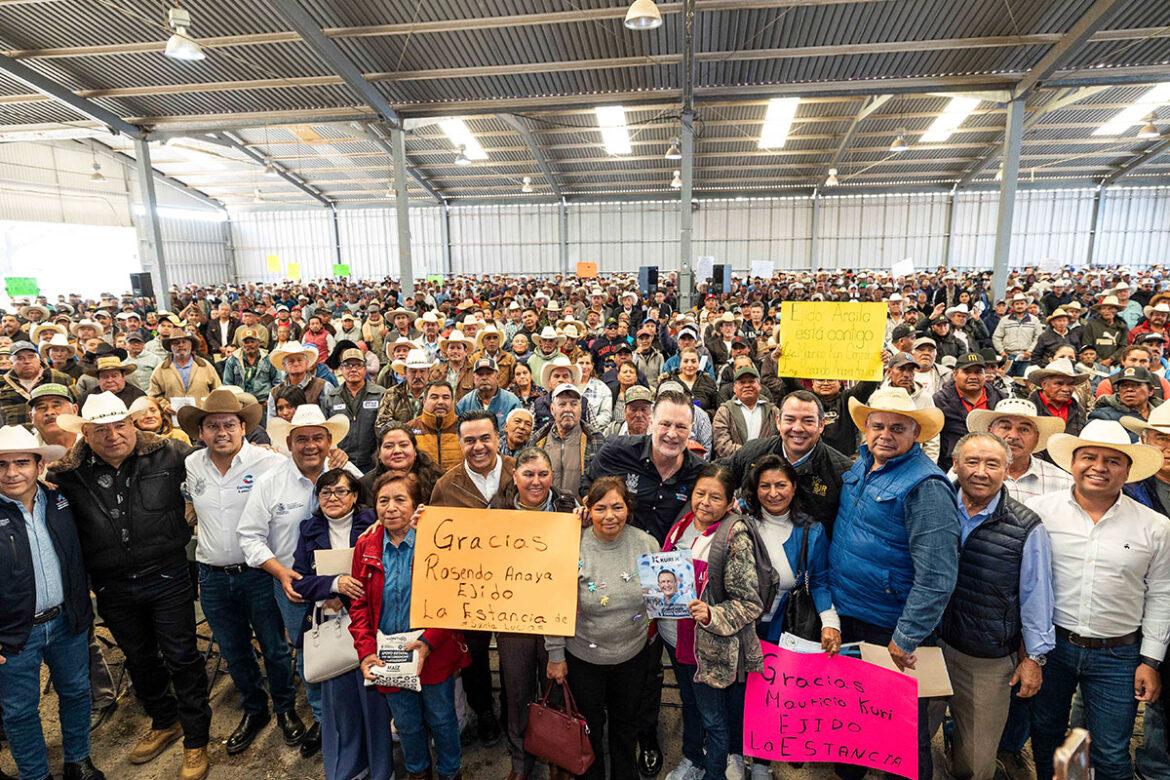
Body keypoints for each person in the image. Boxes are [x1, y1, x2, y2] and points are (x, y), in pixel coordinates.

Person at [47, 393, 213, 780]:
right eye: (101, 429)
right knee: (139, 658)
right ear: (85, 433)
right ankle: (164, 719)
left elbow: (219, 463)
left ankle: (195, 738)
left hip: (168, 574)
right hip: (111, 583)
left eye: (120, 425)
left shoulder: (172, 453)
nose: (113, 435)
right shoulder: (65, 475)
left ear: (133, 423)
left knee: (182, 657)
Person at [1027, 419, 1170, 780]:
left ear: (1127, 470)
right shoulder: (1040, 512)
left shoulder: (1155, 526)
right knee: (1050, 738)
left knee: (1110, 750)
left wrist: (1150, 660)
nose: (1099, 468)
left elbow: (1162, 592)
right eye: (1089, 457)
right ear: (1072, 462)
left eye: (1112, 461)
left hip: (1118, 654)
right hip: (1053, 647)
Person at [829, 387, 958, 780]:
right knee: (851, 716)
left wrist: (907, 635)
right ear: (866, 429)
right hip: (849, 614)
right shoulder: (860, 465)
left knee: (900, 731)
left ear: (915, 433)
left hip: (889, 626)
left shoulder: (927, 486)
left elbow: (937, 575)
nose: (885, 434)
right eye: (878, 425)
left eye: (897, 427)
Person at [178, 389, 305, 756]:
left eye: (229, 424)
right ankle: (255, 710)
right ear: (200, 431)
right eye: (212, 425)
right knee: (234, 651)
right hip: (212, 574)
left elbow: (310, 476)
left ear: (244, 427)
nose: (222, 432)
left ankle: (284, 709)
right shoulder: (193, 464)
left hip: (257, 573)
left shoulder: (270, 462)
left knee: (275, 648)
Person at [584, 390, 705, 772]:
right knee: (621, 659)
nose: (671, 433)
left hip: (666, 581)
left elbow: (717, 501)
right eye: (665, 424)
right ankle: (602, 734)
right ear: (651, 421)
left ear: (691, 430)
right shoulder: (616, 453)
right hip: (613, 569)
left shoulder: (699, 471)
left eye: (681, 427)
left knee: (651, 666)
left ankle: (647, 733)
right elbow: (590, 493)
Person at [237, 404, 361, 759]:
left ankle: (360, 712)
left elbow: (372, 517)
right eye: (302, 438)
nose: (310, 445)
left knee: (358, 645)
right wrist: (278, 571)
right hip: (295, 587)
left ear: (329, 441)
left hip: (353, 585)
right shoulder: (270, 482)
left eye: (318, 438)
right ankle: (323, 719)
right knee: (312, 656)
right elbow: (249, 536)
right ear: (289, 443)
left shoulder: (347, 472)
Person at [940, 432, 1054, 780]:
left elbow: (1038, 597)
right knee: (912, 740)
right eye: (972, 462)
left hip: (986, 658)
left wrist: (1034, 658)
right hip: (931, 645)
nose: (981, 472)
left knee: (976, 762)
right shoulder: (936, 507)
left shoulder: (1027, 527)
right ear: (956, 465)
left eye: (992, 464)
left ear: (1006, 469)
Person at [0, 426, 105, 780]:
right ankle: (35, 775)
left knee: (76, 691)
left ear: (39, 465)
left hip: (66, 620)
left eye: (21, 463)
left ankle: (78, 760)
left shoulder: (60, 500)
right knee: (19, 711)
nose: (12, 473)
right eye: (1, 465)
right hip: (12, 634)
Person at [350, 473, 468, 780]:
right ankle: (418, 773)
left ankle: (450, 772)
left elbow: (454, 597)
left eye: (400, 499)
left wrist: (429, 642)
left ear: (417, 505)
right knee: (406, 724)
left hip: (434, 652)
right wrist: (365, 652)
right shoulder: (366, 546)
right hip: (387, 656)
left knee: (442, 719)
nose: (390, 508)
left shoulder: (437, 542)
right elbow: (359, 605)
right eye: (383, 500)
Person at [546, 475, 659, 780]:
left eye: (617, 507)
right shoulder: (573, 546)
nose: (609, 516)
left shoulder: (647, 544)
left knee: (626, 725)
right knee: (589, 728)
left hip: (632, 657)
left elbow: (660, 600)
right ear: (588, 510)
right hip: (584, 659)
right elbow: (556, 603)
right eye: (600, 508)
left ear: (628, 508)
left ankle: (624, 773)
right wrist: (555, 655)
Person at [660, 465, 765, 780]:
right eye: (700, 493)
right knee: (690, 705)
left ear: (731, 501)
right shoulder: (682, 525)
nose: (705, 502)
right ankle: (693, 760)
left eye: (715, 497)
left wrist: (711, 614)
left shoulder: (735, 535)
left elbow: (749, 604)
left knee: (714, 719)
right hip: (674, 638)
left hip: (709, 646)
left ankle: (714, 773)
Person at [291, 469, 392, 780]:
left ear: (354, 496)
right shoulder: (308, 529)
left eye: (340, 492)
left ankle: (380, 769)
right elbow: (299, 582)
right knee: (341, 709)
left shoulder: (372, 523)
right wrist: (333, 584)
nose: (332, 498)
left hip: (369, 624)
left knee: (373, 703)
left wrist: (347, 597)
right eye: (325, 493)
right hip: (332, 629)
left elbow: (386, 570)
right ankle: (349, 769)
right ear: (318, 499)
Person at [488, 447, 577, 779]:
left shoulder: (569, 506)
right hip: (514, 621)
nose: (536, 481)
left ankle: (558, 760)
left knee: (555, 688)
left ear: (552, 476)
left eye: (543, 474)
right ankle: (520, 763)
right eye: (528, 474)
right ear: (515, 476)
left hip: (558, 616)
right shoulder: (496, 510)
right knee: (517, 693)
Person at [428, 409, 513, 745]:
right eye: (470, 440)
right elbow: (435, 542)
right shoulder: (446, 486)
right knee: (474, 655)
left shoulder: (519, 473)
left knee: (514, 655)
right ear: (459, 443)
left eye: (485, 438)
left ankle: (514, 710)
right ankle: (484, 713)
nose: (478, 446)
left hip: (516, 585)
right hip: (470, 590)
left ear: (497, 439)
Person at [719, 390, 854, 534]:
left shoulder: (843, 472)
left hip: (809, 553)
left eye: (808, 421)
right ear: (778, 421)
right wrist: (726, 502)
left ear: (821, 425)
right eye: (790, 420)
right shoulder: (753, 453)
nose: (797, 428)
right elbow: (716, 477)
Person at [966, 397, 1072, 502]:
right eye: (1005, 427)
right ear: (990, 432)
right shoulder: (966, 473)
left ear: (1037, 438)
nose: (1013, 436)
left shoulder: (1062, 482)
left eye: (1024, 429)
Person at [933, 352, 1006, 472]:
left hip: (993, 466)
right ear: (955, 374)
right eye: (967, 372)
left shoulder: (1000, 399)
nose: (973, 377)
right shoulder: (940, 401)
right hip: (952, 467)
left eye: (978, 372)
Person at [532, 383, 604, 498]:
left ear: (580, 409)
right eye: (562, 404)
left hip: (580, 512)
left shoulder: (595, 438)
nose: (568, 409)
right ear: (552, 409)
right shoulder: (538, 439)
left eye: (574, 404)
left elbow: (602, 482)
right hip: (547, 511)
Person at [320, 347, 386, 473]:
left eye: (358, 365)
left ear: (365, 369)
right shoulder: (331, 398)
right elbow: (324, 431)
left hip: (374, 464)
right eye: (348, 365)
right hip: (341, 464)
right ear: (341, 369)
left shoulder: (381, 394)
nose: (353, 369)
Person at [358, 421, 444, 504]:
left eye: (403, 445)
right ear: (379, 454)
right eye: (389, 446)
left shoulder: (437, 480)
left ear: (415, 451)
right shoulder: (365, 485)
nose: (397, 451)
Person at [146, 331, 221, 417]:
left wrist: (207, 404)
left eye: (184, 342)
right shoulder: (161, 369)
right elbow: (153, 396)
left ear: (191, 345)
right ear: (170, 347)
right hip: (173, 420)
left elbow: (218, 391)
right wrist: (165, 406)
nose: (180, 345)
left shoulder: (205, 366)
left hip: (202, 418)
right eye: (176, 343)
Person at [712, 364, 778, 459]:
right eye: (742, 382)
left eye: (751, 382)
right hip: (733, 467)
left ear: (759, 386)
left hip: (765, 466)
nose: (747, 385)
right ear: (734, 388)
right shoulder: (724, 411)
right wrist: (750, 456)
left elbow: (779, 440)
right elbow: (721, 445)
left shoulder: (773, 411)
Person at [0, 341, 73, 426]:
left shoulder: (61, 378)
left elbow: (77, 407)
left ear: (38, 359)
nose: (27, 361)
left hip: (56, 435)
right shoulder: (2, 383)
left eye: (31, 356)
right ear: (12, 363)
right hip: (13, 436)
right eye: (20, 358)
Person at [407, 380, 463, 475]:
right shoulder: (409, 429)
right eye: (434, 397)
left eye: (446, 397)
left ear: (453, 401)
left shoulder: (464, 428)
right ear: (424, 401)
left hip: (457, 487)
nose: (440, 402)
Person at [221, 327, 279, 419]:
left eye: (253, 342)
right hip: (240, 404)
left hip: (262, 404)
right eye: (246, 342)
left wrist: (270, 402)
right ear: (242, 344)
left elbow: (277, 382)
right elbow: (227, 384)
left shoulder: (268, 359)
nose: (249, 345)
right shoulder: (232, 360)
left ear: (259, 343)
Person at [1089, 365, 1160, 438]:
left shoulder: (1163, 414)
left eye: (1136, 385)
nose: (1129, 389)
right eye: (1124, 386)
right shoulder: (1104, 417)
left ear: (1151, 391)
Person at [1027, 357, 1090, 439]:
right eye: (1059, 383)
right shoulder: (1029, 408)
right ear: (1044, 385)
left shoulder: (1078, 410)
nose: (1066, 389)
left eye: (1070, 384)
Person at [455, 357, 522, 430]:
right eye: (480, 374)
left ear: (498, 377)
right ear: (474, 379)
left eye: (489, 374)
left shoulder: (512, 403)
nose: (484, 378)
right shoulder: (464, 404)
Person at [266, 341, 327, 419]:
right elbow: (272, 423)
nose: (296, 364)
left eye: (300, 360)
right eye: (291, 361)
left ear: (307, 363)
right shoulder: (275, 392)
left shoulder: (322, 386)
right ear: (284, 366)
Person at [375, 347, 430, 429]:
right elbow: (381, 425)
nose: (418, 376)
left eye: (422, 371)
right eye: (413, 371)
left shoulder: (435, 394)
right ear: (405, 372)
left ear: (428, 372)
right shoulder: (392, 393)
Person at [993, 294, 1044, 377]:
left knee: (1023, 381)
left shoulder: (1034, 320)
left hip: (1026, 357)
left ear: (1026, 305)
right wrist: (1002, 352)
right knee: (1005, 380)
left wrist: (1030, 351)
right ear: (1013, 306)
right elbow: (996, 337)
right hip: (1008, 355)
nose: (1019, 306)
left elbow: (1038, 338)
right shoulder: (1005, 320)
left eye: (1022, 303)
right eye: (1017, 304)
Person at [78, 352, 144, 409]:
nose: (109, 380)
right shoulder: (87, 398)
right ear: (98, 379)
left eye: (114, 376)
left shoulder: (138, 397)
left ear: (123, 376)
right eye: (104, 377)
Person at [429, 329, 475, 402]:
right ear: (447, 351)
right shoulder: (437, 372)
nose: (455, 351)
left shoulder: (474, 373)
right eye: (452, 348)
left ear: (465, 351)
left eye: (459, 348)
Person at [1081, 294, 1129, 364]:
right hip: (1094, 362)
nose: (1106, 311)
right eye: (1103, 308)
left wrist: (1111, 359)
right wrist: (1099, 361)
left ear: (1117, 310)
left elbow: (1124, 346)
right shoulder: (1092, 325)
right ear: (1099, 311)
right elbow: (1087, 345)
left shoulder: (1122, 326)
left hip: (1115, 363)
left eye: (1110, 308)